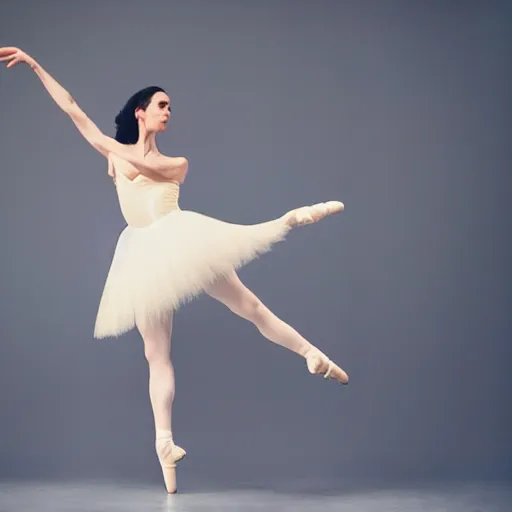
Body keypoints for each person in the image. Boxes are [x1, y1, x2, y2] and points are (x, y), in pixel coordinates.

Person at [1, 46, 349, 494]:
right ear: (141, 112)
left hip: (180, 239)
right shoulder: (115, 156)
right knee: (156, 355)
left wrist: (107, 144)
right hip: (142, 256)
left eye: (170, 106)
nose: (170, 111)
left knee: (250, 305)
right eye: (163, 105)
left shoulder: (174, 163)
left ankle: (309, 345)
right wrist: (34, 65)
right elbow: (71, 108)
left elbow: (143, 163)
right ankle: (164, 443)